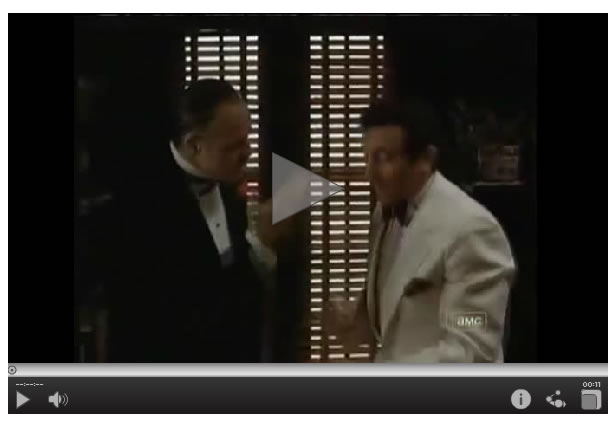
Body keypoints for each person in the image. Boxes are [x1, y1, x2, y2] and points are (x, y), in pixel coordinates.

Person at [106, 79, 283, 362]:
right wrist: (261, 245)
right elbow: (184, 317)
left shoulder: (229, 188)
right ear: (193, 145)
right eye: (233, 145)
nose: (247, 153)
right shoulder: (141, 207)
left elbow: (239, 294)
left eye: (247, 139)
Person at [327, 100, 515, 363]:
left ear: (426, 159)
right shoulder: (385, 213)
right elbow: (397, 323)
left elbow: (471, 350)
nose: (370, 174)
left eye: (383, 158)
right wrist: (357, 321)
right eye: (366, 159)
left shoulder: (472, 229)